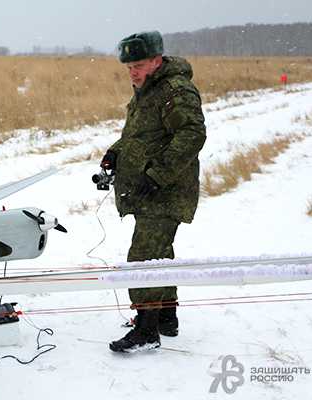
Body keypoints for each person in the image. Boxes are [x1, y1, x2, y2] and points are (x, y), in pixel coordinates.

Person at [101, 31, 206, 353]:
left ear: (157, 61)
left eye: (140, 65)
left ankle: (146, 330)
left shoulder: (175, 90)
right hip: (149, 191)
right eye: (129, 66)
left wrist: (158, 174)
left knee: (143, 258)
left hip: (167, 191)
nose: (133, 72)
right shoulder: (147, 90)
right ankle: (165, 317)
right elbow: (139, 134)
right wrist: (116, 152)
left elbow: (192, 134)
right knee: (159, 254)